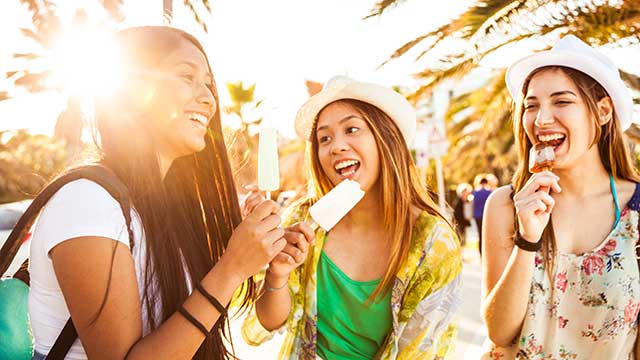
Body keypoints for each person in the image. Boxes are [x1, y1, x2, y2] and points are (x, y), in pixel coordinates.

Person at [26, 26, 287, 359]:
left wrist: (265, 262)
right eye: (186, 76)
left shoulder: (167, 212)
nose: (208, 98)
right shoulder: (87, 200)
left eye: (208, 83)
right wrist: (232, 267)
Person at [241, 76, 463, 359]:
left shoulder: (433, 242)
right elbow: (261, 328)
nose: (336, 146)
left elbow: (422, 352)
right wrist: (278, 274)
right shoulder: (302, 219)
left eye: (352, 129)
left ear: (386, 139)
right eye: (324, 138)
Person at [481, 35, 640, 359]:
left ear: (603, 110)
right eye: (531, 105)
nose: (541, 120)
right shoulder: (505, 205)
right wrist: (527, 238)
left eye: (562, 101)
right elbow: (499, 332)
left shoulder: (636, 210)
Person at [472, 175, 493, 255]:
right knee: (487, 235)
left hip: (477, 216)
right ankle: (487, 253)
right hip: (486, 216)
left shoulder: (475, 193)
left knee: (480, 235)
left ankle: (481, 254)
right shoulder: (489, 192)